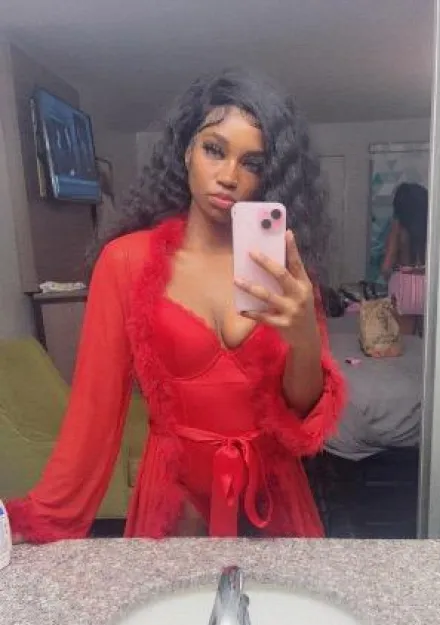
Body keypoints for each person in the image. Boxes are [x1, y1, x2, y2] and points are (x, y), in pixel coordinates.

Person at [7, 69, 345, 544]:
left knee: (279, 596)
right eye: (214, 149)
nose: (228, 177)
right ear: (187, 149)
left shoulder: (283, 267)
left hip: (273, 503)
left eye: (252, 162)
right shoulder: (126, 262)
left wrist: (305, 338)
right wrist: (40, 520)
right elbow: (94, 413)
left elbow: (301, 426)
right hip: (174, 504)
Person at [381, 182, 428, 334]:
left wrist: (388, 276)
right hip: (427, 287)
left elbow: (386, 266)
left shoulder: (399, 228)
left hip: (404, 289)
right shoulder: (432, 228)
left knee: (405, 340)